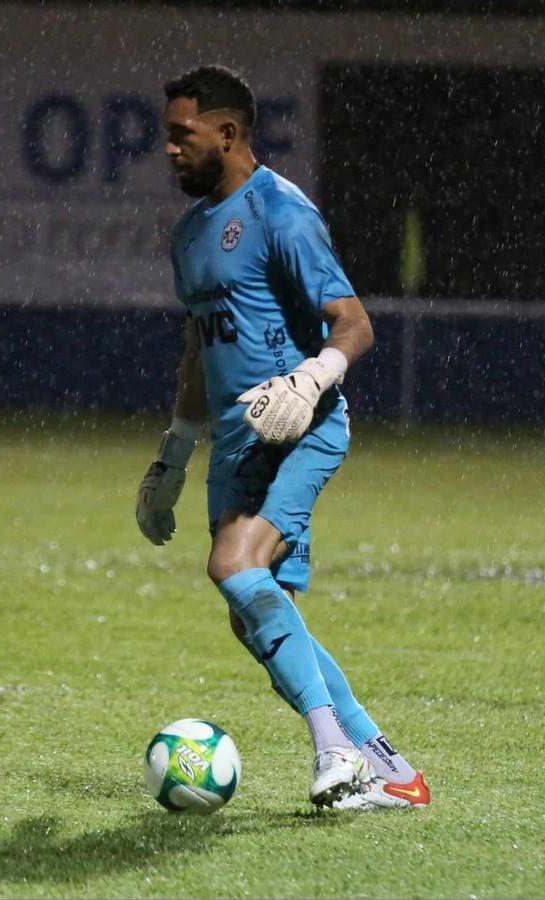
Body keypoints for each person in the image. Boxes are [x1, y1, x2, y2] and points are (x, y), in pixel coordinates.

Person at [135, 65, 429, 811]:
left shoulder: (281, 213)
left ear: (227, 133)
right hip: (237, 445)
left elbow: (355, 323)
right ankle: (388, 767)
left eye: (182, 135)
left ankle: (335, 753)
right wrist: (172, 458)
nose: (167, 149)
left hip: (303, 428)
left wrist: (308, 380)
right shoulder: (189, 237)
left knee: (233, 566)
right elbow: (201, 353)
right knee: (255, 615)